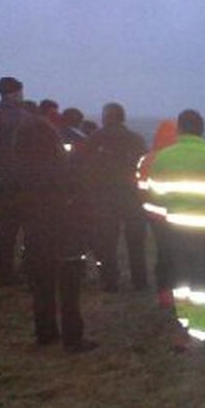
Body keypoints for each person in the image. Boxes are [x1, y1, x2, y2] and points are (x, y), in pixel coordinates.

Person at [147, 109, 205, 342]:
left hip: (175, 230)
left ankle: (185, 319)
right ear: (201, 129)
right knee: (204, 280)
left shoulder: (163, 158)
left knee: (181, 277)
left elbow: (155, 195)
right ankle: (202, 331)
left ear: (180, 129)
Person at [12, 107, 95, 352]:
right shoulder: (65, 169)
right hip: (66, 236)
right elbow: (82, 201)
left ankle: (45, 332)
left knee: (42, 288)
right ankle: (73, 338)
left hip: (35, 235)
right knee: (69, 291)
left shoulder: (19, 173)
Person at [84, 102, 148, 292]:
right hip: (132, 197)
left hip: (105, 199)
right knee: (136, 243)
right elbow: (143, 168)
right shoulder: (137, 139)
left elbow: (86, 168)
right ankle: (140, 281)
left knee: (107, 244)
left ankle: (111, 282)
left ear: (106, 118)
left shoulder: (95, 138)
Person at [0, 77, 29, 286]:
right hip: (24, 183)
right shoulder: (25, 118)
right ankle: (30, 268)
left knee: (7, 230)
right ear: (14, 93)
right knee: (31, 228)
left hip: (1, 183)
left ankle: (6, 273)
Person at [137, 120, 178, 306]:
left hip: (153, 215)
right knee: (178, 253)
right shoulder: (178, 159)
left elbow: (139, 187)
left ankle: (164, 294)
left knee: (163, 253)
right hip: (176, 214)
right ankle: (176, 292)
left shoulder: (146, 159)